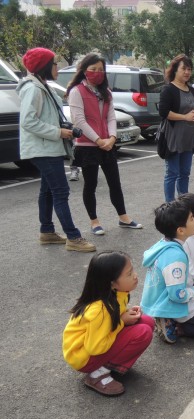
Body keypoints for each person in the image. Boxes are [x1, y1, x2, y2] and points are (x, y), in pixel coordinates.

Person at [17, 47, 96, 252]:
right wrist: (57, 132)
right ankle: (73, 237)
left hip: (47, 147)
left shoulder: (43, 86)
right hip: (44, 148)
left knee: (48, 191)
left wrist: (63, 130)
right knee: (61, 191)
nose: (58, 67)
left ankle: (47, 231)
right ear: (44, 66)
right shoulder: (33, 89)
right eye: (54, 63)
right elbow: (28, 121)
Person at [67, 53, 142, 235]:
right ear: (84, 71)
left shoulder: (105, 92)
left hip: (108, 144)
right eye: (93, 69)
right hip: (88, 146)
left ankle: (123, 217)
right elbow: (79, 121)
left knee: (115, 183)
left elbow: (111, 117)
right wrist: (99, 140)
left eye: (101, 70)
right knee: (90, 185)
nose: (97, 73)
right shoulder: (77, 91)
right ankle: (94, 221)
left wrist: (112, 138)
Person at [62, 251, 154, 396]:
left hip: (95, 343)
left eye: (133, 270)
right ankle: (96, 375)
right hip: (84, 357)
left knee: (146, 321)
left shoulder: (115, 293)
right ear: (112, 283)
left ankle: (112, 364)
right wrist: (121, 321)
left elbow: (114, 316)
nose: (135, 275)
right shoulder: (100, 310)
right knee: (142, 332)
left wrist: (124, 314)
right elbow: (96, 348)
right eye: (129, 274)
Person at [140, 200, 194, 344]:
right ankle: (175, 326)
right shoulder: (176, 256)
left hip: (168, 296)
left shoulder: (164, 244)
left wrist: (193, 289)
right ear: (181, 230)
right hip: (172, 302)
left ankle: (172, 318)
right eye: (192, 218)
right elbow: (176, 295)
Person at [159, 54, 194, 202]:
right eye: (184, 68)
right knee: (172, 173)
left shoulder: (190, 89)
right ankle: (170, 206)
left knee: (185, 173)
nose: (187, 72)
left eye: (189, 69)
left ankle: (183, 203)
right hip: (173, 138)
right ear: (175, 70)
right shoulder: (168, 89)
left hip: (188, 139)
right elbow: (163, 112)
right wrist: (185, 117)